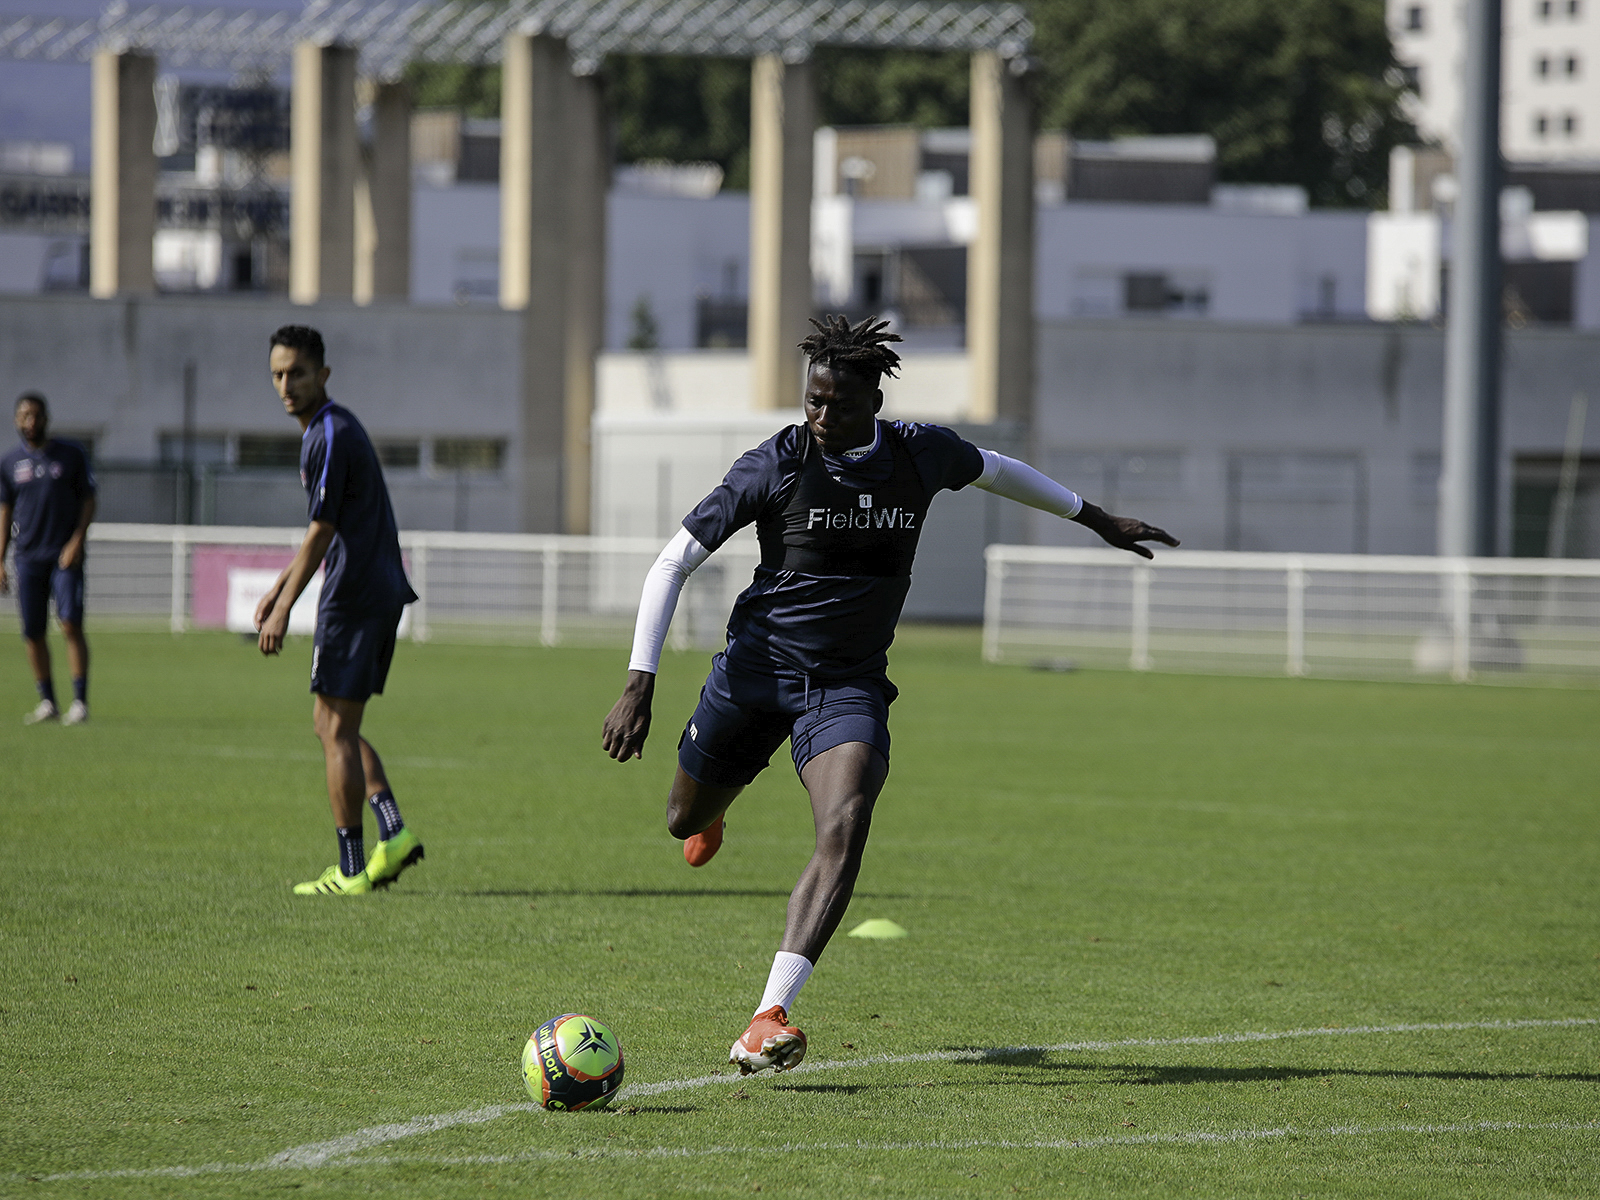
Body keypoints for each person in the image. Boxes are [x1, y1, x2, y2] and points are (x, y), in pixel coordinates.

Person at [603, 315, 1178, 1075]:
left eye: (837, 404)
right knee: (684, 816)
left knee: (846, 820)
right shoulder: (771, 465)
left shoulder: (919, 453)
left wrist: (1095, 518)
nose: (819, 416)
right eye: (811, 400)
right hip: (753, 675)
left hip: (845, 686)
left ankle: (767, 1015)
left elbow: (1000, 469)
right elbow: (671, 563)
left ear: (873, 398)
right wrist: (640, 681)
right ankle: (715, 814)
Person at [255, 325, 423, 896]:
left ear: (322, 375)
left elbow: (324, 531)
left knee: (334, 730)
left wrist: (284, 609)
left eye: (296, 373)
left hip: (354, 598)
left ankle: (351, 870)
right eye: (277, 374)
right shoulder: (333, 429)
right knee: (334, 726)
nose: (286, 384)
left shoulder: (328, 433)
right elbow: (326, 529)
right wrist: (280, 589)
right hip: (371, 591)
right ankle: (393, 835)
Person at [0, 392, 96, 725]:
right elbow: (4, 511)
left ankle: (80, 702)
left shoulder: (70, 455)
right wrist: (0, 559)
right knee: (33, 632)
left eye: (36, 415)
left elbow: (88, 500)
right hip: (27, 558)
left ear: (46, 418)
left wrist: (77, 541)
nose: (31, 422)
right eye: (24, 416)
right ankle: (48, 702)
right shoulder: (10, 463)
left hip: (63, 557)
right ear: (16, 420)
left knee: (70, 622)